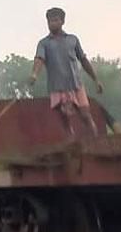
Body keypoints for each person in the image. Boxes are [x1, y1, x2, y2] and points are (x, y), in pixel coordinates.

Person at [28, 7, 103, 136]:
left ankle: (96, 142)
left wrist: (96, 79)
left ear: (62, 21)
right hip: (57, 86)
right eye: (50, 21)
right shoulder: (44, 43)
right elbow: (39, 59)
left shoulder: (72, 39)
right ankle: (72, 147)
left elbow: (83, 60)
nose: (52, 23)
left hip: (76, 84)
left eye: (56, 20)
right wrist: (34, 74)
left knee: (85, 115)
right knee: (64, 120)